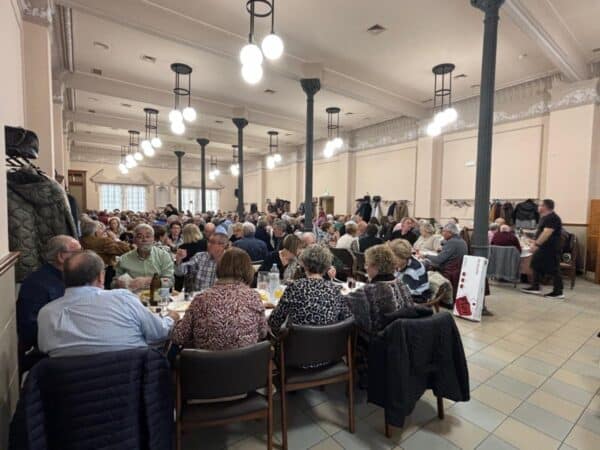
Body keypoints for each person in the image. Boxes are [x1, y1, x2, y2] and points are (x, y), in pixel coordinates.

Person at [37, 251, 178, 357]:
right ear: (100, 277)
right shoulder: (122, 299)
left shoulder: (46, 313)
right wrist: (171, 318)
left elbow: (45, 349)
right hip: (132, 383)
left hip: (72, 390)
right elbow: (160, 332)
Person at [171, 248, 267, 351]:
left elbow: (179, 337)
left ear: (220, 267)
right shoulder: (253, 297)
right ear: (248, 270)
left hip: (206, 364)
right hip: (245, 363)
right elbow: (263, 332)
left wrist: (174, 319)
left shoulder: (201, 299)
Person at [17, 236, 82, 369]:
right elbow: (30, 330)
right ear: (61, 257)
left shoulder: (71, 277)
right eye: (78, 253)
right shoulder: (36, 284)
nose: (82, 257)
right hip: (51, 354)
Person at [268, 245, 351, 337]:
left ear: (304, 263)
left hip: (297, 345)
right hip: (329, 346)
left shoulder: (295, 287)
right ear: (327, 266)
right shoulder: (335, 289)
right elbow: (346, 318)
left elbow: (275, 321)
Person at [346, 244, 414, 334]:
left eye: (366, 264)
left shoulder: (366, 292)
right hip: (404, 335)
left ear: (375, 267)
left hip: (378, 340)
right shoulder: (402, 284)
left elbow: (359, 320)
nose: (365, 267)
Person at [522, 199, 564, 298]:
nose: (538, 207)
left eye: (540, 205)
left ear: (545, 207)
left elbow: (547, 232)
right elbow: (541, 231)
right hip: (544, 247)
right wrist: (531, 235)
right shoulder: (544, 217)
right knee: (535, 264)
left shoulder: (552, 218)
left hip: (550, 248)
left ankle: (558, 292)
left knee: (554, 269)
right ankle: (535, 287)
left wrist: (536, 244)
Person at [113, 224, 175, 289]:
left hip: (158, 297)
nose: (144, 239)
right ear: (134, 240)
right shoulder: (124, 259)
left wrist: (148, 281)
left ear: (153, 239)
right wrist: (118, 284)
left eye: (148, 236)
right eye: (140, 237)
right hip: (132, 297)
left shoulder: (163, 256)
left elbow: (170, 281)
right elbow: (114, 283)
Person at [79, 220, 130, 289]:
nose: (103, 231)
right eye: (101, 228)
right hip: (104, 272)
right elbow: (126, 250)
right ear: (95, 232)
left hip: (83, 271)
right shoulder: (103, 241)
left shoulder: (80, 240)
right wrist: (115, 238)